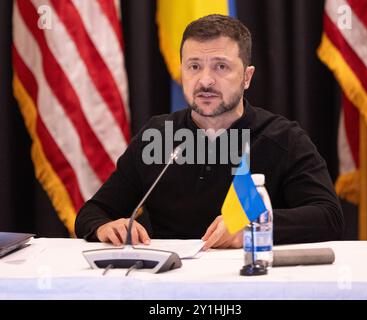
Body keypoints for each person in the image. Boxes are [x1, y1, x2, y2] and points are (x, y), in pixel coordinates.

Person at [75, 14, 344, 250]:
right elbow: (93, 212)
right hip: (166, 286)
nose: (205, 80)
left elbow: (328, 217)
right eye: (194, 66)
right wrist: (106, 227)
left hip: (253, 281)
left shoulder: (283, 138)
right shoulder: (157, 135)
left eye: (221, 66)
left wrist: (254, 225)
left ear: (247, 77)